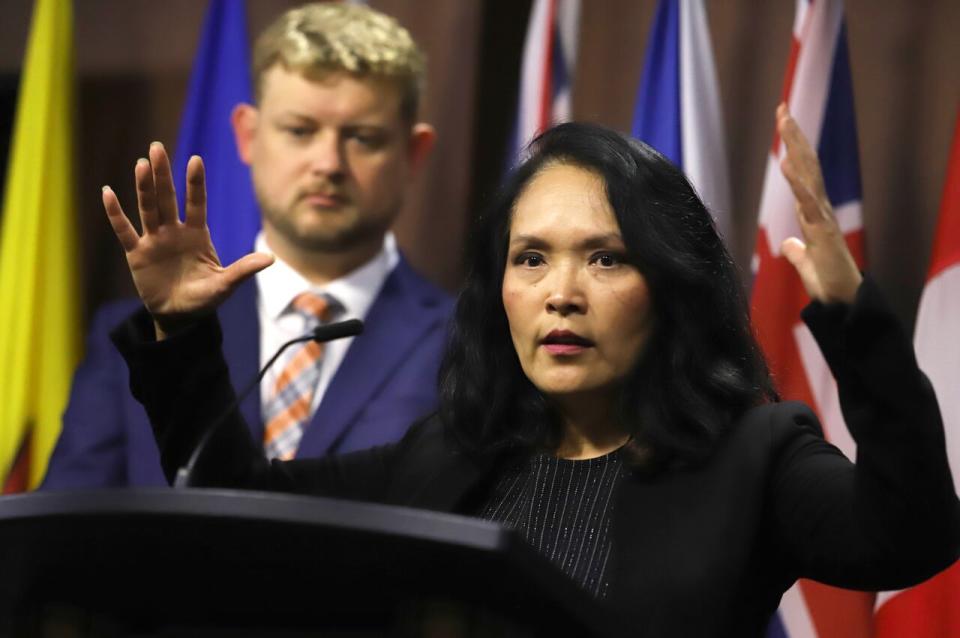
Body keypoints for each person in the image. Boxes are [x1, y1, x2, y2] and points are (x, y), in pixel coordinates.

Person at [105, 106, 958, 636]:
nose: (562, 295)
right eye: (532, 259)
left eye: (607, 260)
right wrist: (182, 335)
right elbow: (240, 519)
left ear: (668, 287)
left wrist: (857, 326)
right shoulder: (452, 455)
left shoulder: (754, 456)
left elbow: (909, 535)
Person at [42, 3, 453, 488]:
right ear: (247, 135)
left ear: (415, 153)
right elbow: (67, 537)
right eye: (299, 131)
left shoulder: (469, 344)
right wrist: (178, 330)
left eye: (362, 138)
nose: (328, 163)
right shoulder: (146, 336)